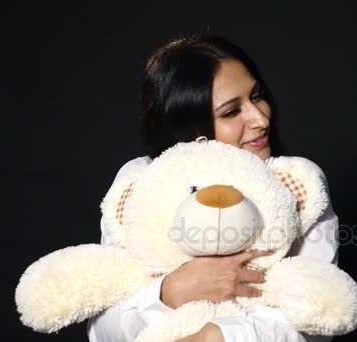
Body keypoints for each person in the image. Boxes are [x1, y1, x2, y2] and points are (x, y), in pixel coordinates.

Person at [87, 33, 340, 342]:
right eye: (231, 111)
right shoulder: (141, 182)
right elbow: (102, 329)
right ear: (190, 129)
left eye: (257, 96)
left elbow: (317, 317)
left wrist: (213, 336)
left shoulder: (296, 182)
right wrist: (171, 290)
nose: (260, 118)